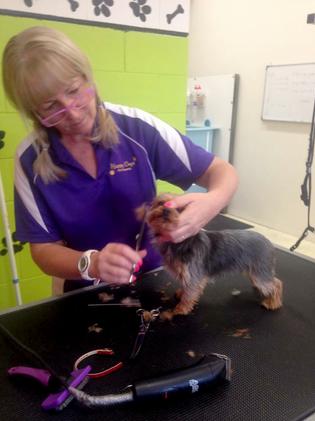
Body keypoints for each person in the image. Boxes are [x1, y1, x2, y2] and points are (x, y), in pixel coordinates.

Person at [2, 26, 238, 293]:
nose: (73, 113)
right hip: (85, 289)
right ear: (33, 112)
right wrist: (92, 263)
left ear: (87, 77)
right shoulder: (29, 160)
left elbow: (222, 172)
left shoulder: (137, 127)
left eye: (75, 91)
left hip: (159, 277)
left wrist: (211, 203)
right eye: (50, 107)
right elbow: (43, 249)